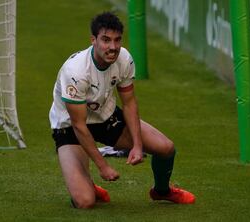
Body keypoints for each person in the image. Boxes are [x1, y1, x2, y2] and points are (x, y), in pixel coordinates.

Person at [49, 11, 195, 209]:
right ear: (93, 40)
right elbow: (79, 125)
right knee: (85, 201)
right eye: (106, 40)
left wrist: (136, 145)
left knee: (166, 148)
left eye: (117, 40)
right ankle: (88, 185)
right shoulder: (75, 72)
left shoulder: (124, 58)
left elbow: (129, 103)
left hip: (106, 118)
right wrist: (103, 166)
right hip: (70, 128)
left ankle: (162, 191)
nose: (113, 47)